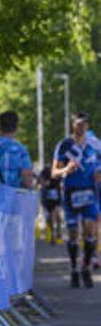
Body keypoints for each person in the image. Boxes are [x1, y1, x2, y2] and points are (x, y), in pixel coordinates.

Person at [52, 112, 101, 288]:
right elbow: (54, 172)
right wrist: (66, 169)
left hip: (90, 193)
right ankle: (74, 268)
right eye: (78, 124)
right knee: (73, 233)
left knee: (90, 230)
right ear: (72, 125)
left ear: (87, 125)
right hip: (70, 193)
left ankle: (85, 267)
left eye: (84, 124)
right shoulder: (65, 145)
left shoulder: (95, 145)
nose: (81, 127)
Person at [0, 111, 33, 189]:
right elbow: (27, 179)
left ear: (0, 128)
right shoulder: (21, 150)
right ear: (16, 128)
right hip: (13, 194)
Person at [38, 166, 63, 246]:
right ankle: (53, 234)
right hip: (47, 198)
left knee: (57, 216)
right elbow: (40, 183)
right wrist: (43, 184)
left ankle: (57, 232)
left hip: (56, 198)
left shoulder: (58, 171)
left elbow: (62, 181)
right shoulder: (45, 171)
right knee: (50, 218)